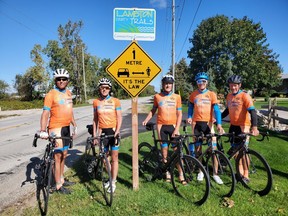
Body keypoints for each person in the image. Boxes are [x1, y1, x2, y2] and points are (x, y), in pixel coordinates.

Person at [39, 68, 77, 194]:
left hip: (66, 128)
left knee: (64, 155)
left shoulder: (69, 93)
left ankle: (61, 178)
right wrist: (43, 130)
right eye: (59, 79)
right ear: (55, 80)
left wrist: (74, 124)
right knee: (58, 156)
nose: (61, 81)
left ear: (67, 81)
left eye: (64, 79)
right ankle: (58, 185)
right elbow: (45, 113)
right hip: (55, 128)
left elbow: (69, 110)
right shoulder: (51, 94)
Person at [142, 75, 184, 184]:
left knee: (177, 152)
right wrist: (146, 119)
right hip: (161, 127)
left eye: (169, 83)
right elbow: (153, 110)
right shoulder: (157, 96)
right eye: (165, 83)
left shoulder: (177, 97)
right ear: (163, 84)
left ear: (172, 85)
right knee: (164, 152)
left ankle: (181, 174)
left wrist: (176, 129)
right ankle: (167, 173)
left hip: (173, 126)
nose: (167, 85)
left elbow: (179, 114)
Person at [187, 72, 224, 184]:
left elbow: (217, 110)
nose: (201, 83)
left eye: (203, 81)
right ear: (196, 83)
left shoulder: (212, 94)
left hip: (208, 125)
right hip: (197, 125)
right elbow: (190, 107)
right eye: (199, 81)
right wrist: (189, 117)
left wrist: (219, 124)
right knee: (198, 150)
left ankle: (215, 174)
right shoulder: (193, 95)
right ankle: (201, 171)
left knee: (213, 150)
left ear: (207, 82)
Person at [222, 75, 259, 183]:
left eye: (235, 85)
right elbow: (227, 111)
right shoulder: (229, 96)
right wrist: (217, 118)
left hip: (244, 126)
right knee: (235, 152)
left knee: (244, 152)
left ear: (239, 85)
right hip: (233, 126)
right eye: (231, 85)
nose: (233, 87)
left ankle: (246, 175)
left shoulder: (245, 96)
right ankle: (240, 173)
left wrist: (255, 127)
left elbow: (253, 111)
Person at [92, 78, 122, 193]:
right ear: (99, 89)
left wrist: (117, 131)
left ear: (109, 89)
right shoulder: (96, 102)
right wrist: (95, 135)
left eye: (107, 88)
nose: (104, 90)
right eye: (102, 87)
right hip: (102, 132)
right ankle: (110, 177)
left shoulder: (115, 101)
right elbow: (95, 120)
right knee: (104, 158)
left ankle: (113, 181)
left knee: (114, 157)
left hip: (113, 132)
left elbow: (119, 117)